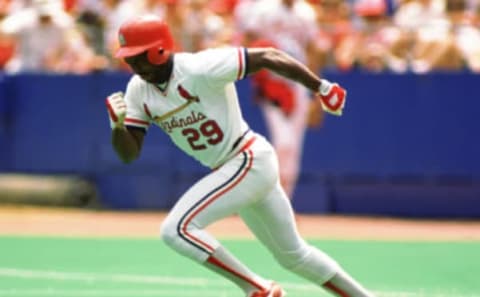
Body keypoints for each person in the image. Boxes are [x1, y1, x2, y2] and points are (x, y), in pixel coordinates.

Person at [106, 15, 373, 297]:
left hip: (246, 159)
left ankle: (258, 289)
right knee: (293, 255)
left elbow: (268, 56)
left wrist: (320, 87)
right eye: (128, 58)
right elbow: (128, 154)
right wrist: (118, 125)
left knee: (176, 230)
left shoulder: (199, 67)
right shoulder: (138, 89)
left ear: (159, 50)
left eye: (138, 57)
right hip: (238, 169)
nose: (132, 65)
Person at [235, 0, 324, 198]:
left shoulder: (306, 12)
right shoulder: (264, 8)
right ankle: (271, 197)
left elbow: (313, 51)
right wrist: (258, 75)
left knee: (293, 147)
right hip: (273, 82)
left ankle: (285, 201)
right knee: (284, 143)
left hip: (299, 84)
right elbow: (248, 40)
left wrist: (317, 94)